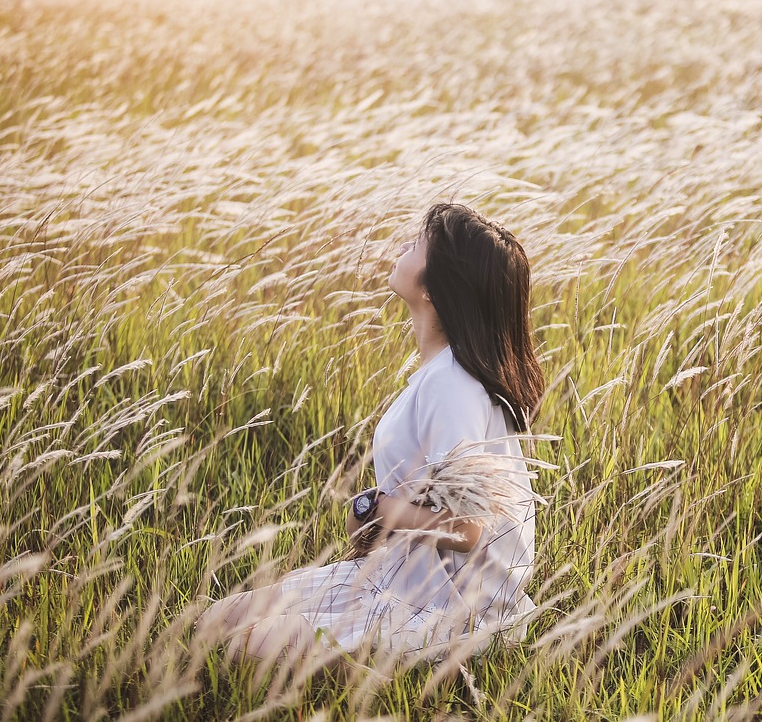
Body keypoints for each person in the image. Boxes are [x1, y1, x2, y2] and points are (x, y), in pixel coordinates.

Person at [197, 203, 545, 665]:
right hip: (397, 576)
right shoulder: (439, 372)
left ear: (438, 288)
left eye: (422, 243)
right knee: (212, 622)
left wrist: (376, 508)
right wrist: (377, 518)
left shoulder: (452, 384)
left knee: (247, 646)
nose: (407, 243)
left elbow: (465, 528)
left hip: (451, 610)